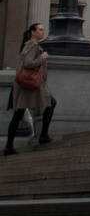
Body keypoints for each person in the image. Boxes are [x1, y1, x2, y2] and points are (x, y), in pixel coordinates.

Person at [4, 22, 56, 154]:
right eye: (40, 30)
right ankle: (43, 135)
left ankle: (9, 146)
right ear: (32, 32)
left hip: (27, 84)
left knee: (19, 114)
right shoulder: (33, 46)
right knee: (51, 103)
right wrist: (42, 58)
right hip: (31, 84)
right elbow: (28, 63)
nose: (42, 32)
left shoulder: (31, 45)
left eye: (43, 30)